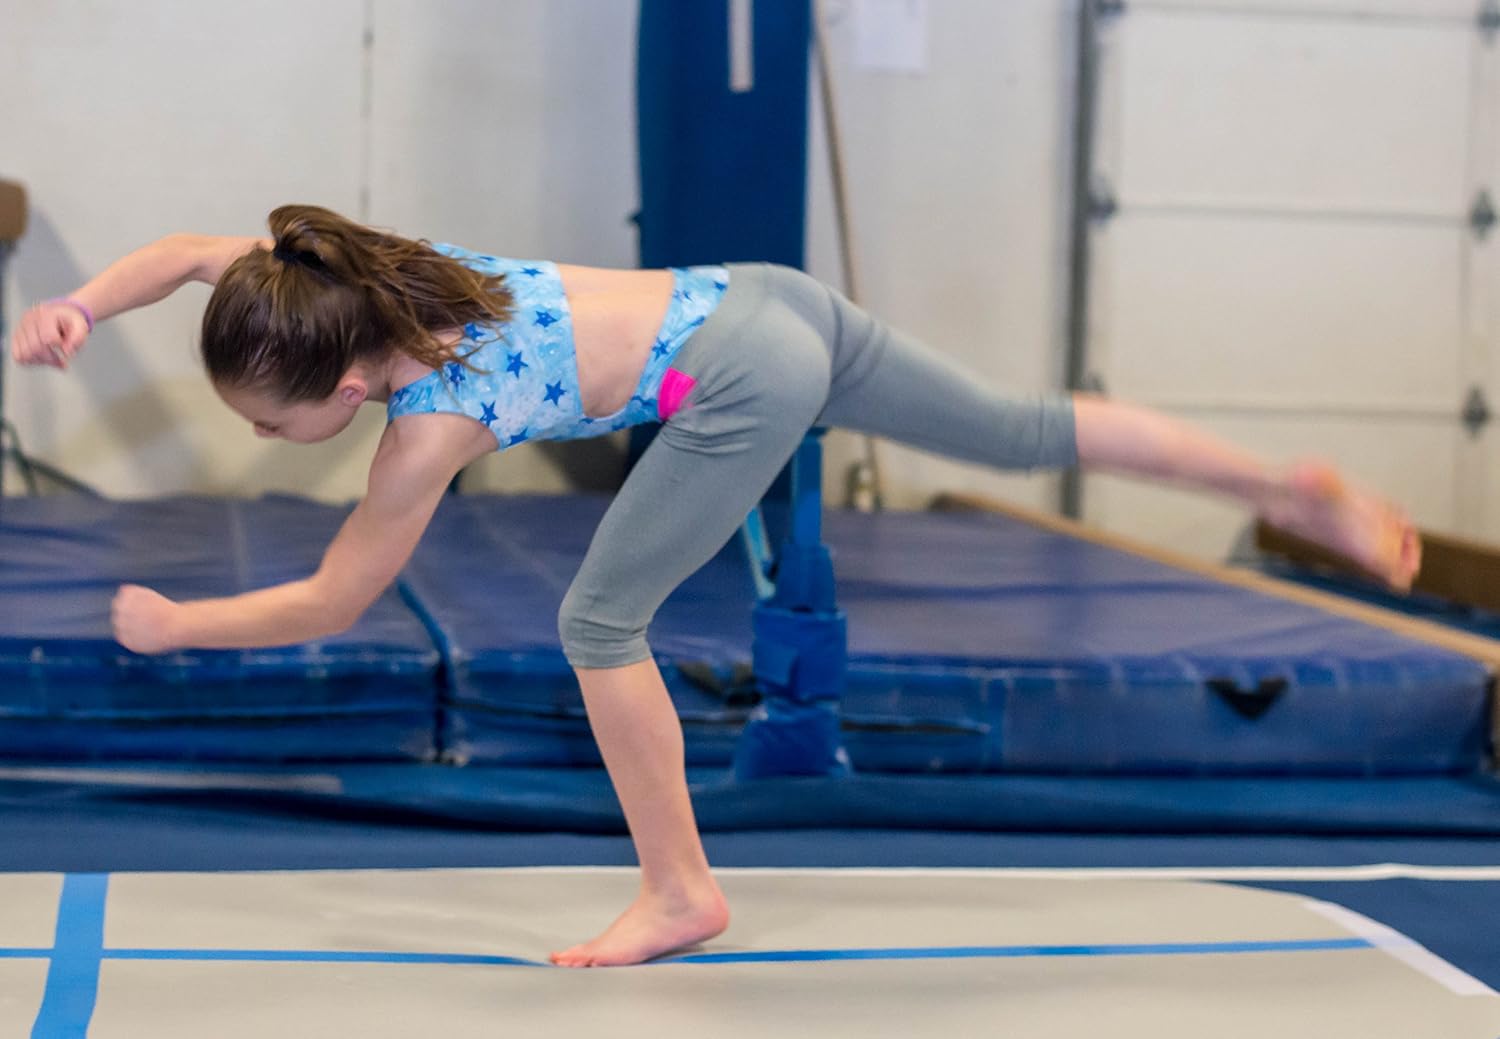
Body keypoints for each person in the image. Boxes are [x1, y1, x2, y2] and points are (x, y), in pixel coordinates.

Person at [9, 204, 1421, 967]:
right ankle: (1274, 489)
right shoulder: (341, 278)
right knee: (1024, 424)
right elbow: (192, 256)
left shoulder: (431, 426)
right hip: (763, 294)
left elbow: (328, 602)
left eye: (273, 423)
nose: (263, 439)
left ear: (358, 380)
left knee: (595, 622)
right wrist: (88, 303)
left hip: (736, 373)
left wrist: (177, 623)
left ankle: (680, 890)